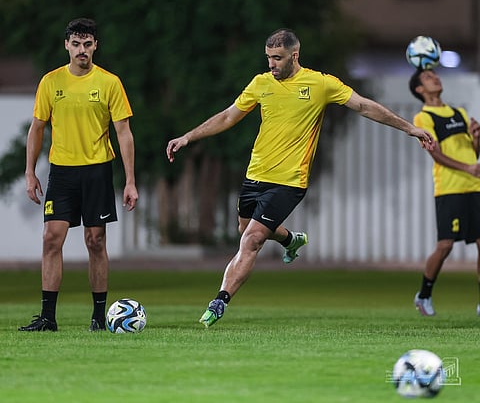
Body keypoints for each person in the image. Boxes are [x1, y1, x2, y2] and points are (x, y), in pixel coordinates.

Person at [166, 28, 434, 327]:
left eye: (277, 58)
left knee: (252, 239)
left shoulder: (320, 83)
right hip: (255, 176)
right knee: (246, 230)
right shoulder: (260, 83)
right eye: (268, 58)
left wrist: (410, 127)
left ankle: (219, 301)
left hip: (290, 181)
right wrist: (188, 137)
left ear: (295, 56)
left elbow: (363, 105)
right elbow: (229, 116)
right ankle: (290, 239)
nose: (271, 64)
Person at [19, 18, 138, 332]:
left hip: (97, 171)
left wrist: (130, 181)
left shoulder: (109, 82)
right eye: (76, 44)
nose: (82, 50)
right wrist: (30, 172)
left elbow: (124, 132)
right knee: (50, 239)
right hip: (62, 173)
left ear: (95, 46)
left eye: (87, 44)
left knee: (95, 241)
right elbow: (37, 128)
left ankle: (99, 319)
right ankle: (48, 317)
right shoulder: (51, 82)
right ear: (66, 46)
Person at [409, 68, 480, 316]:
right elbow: (435, 154)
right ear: (419, 89)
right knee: (446, 245)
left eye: (435, 75)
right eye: (428, 77)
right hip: (449, 188)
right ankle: (424, 295)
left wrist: (476, 139)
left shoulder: (459, 112)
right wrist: (469, 167)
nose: (435, 78)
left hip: (474, 186)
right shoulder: (423, 118)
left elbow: (472, 153)